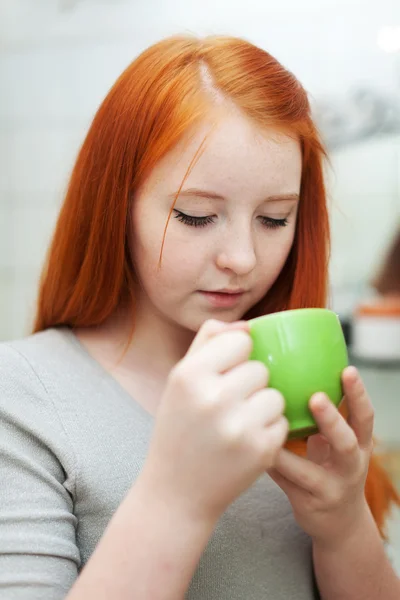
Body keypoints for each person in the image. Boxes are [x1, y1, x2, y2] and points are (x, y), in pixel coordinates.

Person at [0, 35, 399, 600]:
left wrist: (344, 526)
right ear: (116, 205)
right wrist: (176, 498)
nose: (242, 258)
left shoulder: (297, 391)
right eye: (196, 215)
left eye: (274, 219)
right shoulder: (19, 396)